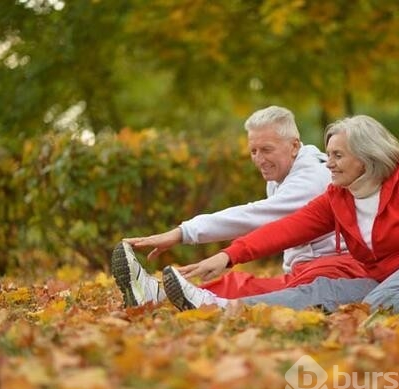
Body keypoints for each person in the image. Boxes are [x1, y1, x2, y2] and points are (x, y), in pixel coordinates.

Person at [160, 114, 399, 318]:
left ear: (366, 157)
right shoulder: (338, 197)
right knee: (325, 291)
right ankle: (225, 306)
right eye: (328, 154)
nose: (329, 163)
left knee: (383, 302)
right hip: (386, 279)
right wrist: (229, 255)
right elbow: (286, 229)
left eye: (337, 156)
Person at [111, 105, 368, 308]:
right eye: (253, 151)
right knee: (246, 283)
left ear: (294, 146)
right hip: (312, 270)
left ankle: (167, 297)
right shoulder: (282, 176)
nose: (259, 159)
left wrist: (184, 232)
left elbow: (256, 216)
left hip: (337, 270)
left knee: (267, 290)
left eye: (266, 149)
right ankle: (159, 294)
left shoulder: (313, 176)